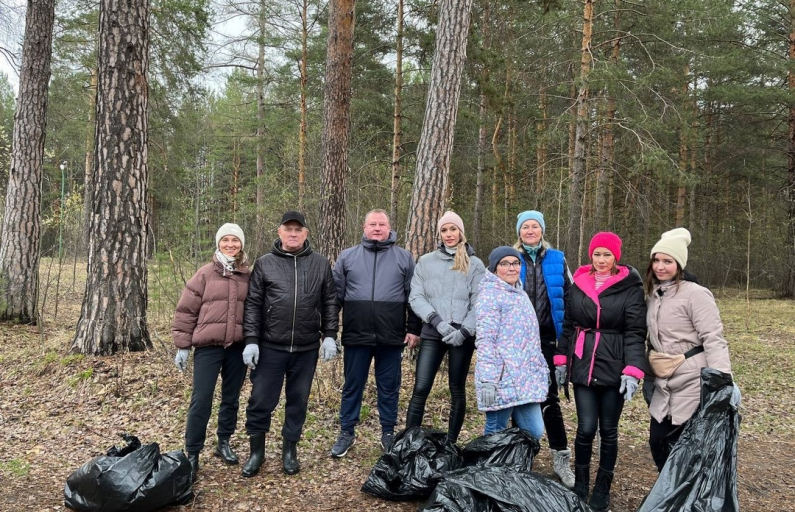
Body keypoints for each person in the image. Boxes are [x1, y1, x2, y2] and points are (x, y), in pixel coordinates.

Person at [240, 211, 339, 477]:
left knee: (298, 401)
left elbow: (330, 301)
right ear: (279, 232)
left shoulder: (320, 263)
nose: (293, 233)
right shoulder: (264, 263)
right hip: (270, 346)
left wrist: (330, 334)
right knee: (260, 400)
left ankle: (289, 452)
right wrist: (251, 340)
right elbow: (253, 304)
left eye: (298, 229)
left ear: (306, 233)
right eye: (288, 229)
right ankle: (256, 453)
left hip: (306, 349)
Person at [559, 232, 647, 512]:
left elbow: (635, 331)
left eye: (606, 254)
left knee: (608, 430)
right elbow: (569, 325)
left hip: (614, 362)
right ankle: (581, 483)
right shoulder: (578, 284)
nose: (601, 260)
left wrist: (633, 369)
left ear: (616, 257)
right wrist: (561, 359)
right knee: (585, 428)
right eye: (597, 254)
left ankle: (602, 488)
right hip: (583, 362)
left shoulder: (630, 287)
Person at [644, 227, 740, 472]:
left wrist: (721, 381)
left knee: (687, 447)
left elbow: (713, 337)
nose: (660, 266)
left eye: (667, 261)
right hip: (663, 380)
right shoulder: (654, 294)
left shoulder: (696, 294)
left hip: (691, 378)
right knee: (657, 442)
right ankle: (670, 493)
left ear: (679, 264)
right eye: (657, 260)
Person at [329, 209, 422, 457]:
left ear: (390, 227)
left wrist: (414, 329)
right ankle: (346, 432)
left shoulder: (404, 258)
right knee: (352, 386)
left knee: (389, 387)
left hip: (391, 336)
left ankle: (388, 432)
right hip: (356, 335)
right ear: (364, 227)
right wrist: (329, 331)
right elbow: (335, 297)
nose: (377, 228)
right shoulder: (347, 257)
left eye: (382, 224)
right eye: (373, 224)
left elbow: (413, 297)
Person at [172, 223, 251, 482]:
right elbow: (186, 310)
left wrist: (254, 343)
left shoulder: (247, 276)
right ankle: (193, 452)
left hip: (237, 348)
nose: (230, 244)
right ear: (218, 243)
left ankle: (223, 442)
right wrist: (183, 345)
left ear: (241, 244)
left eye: (235, 240)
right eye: (225, 240)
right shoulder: (205, 274)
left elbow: (255, 312)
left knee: (231, 398)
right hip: (208, 348)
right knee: (201, 399)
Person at [406, 211, 486, 443]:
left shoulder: (475, 264)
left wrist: (464, 331)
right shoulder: (426, 261)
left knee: (457, 390)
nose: (449, 234)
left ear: (461, 232)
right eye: (444, 230)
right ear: (439, 234)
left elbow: (479, 302)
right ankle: (409, 443)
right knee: (420, 388)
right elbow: (416, 296)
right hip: (432, 332)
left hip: (462, 336)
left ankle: (451, 444)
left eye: (453, 229)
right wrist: (437, 322)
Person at [513, 210, 575, 488]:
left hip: (550, 339)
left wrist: (568, 340)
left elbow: (571, 297)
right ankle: (518, 457)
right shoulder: (510, 259)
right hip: (519, 341)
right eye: (525, 227)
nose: (530, 231)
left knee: (550, 398)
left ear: (542, 230)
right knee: (518, 397)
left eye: (534, 226)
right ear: (519, 232)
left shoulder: (558, 259)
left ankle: (561, 458)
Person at [475, 246, 548, 443]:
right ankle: (489, 471)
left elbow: (531, 340)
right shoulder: (490, 295)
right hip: (501, 378)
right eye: (504, 264)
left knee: (534, 430)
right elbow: (485, 341)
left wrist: (540, 369)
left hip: (524, 378)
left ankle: (512, 467)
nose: (511, 268)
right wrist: (488, 380)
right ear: (494, 268)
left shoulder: (520, 293)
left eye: (515, 263)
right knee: (495, 431)